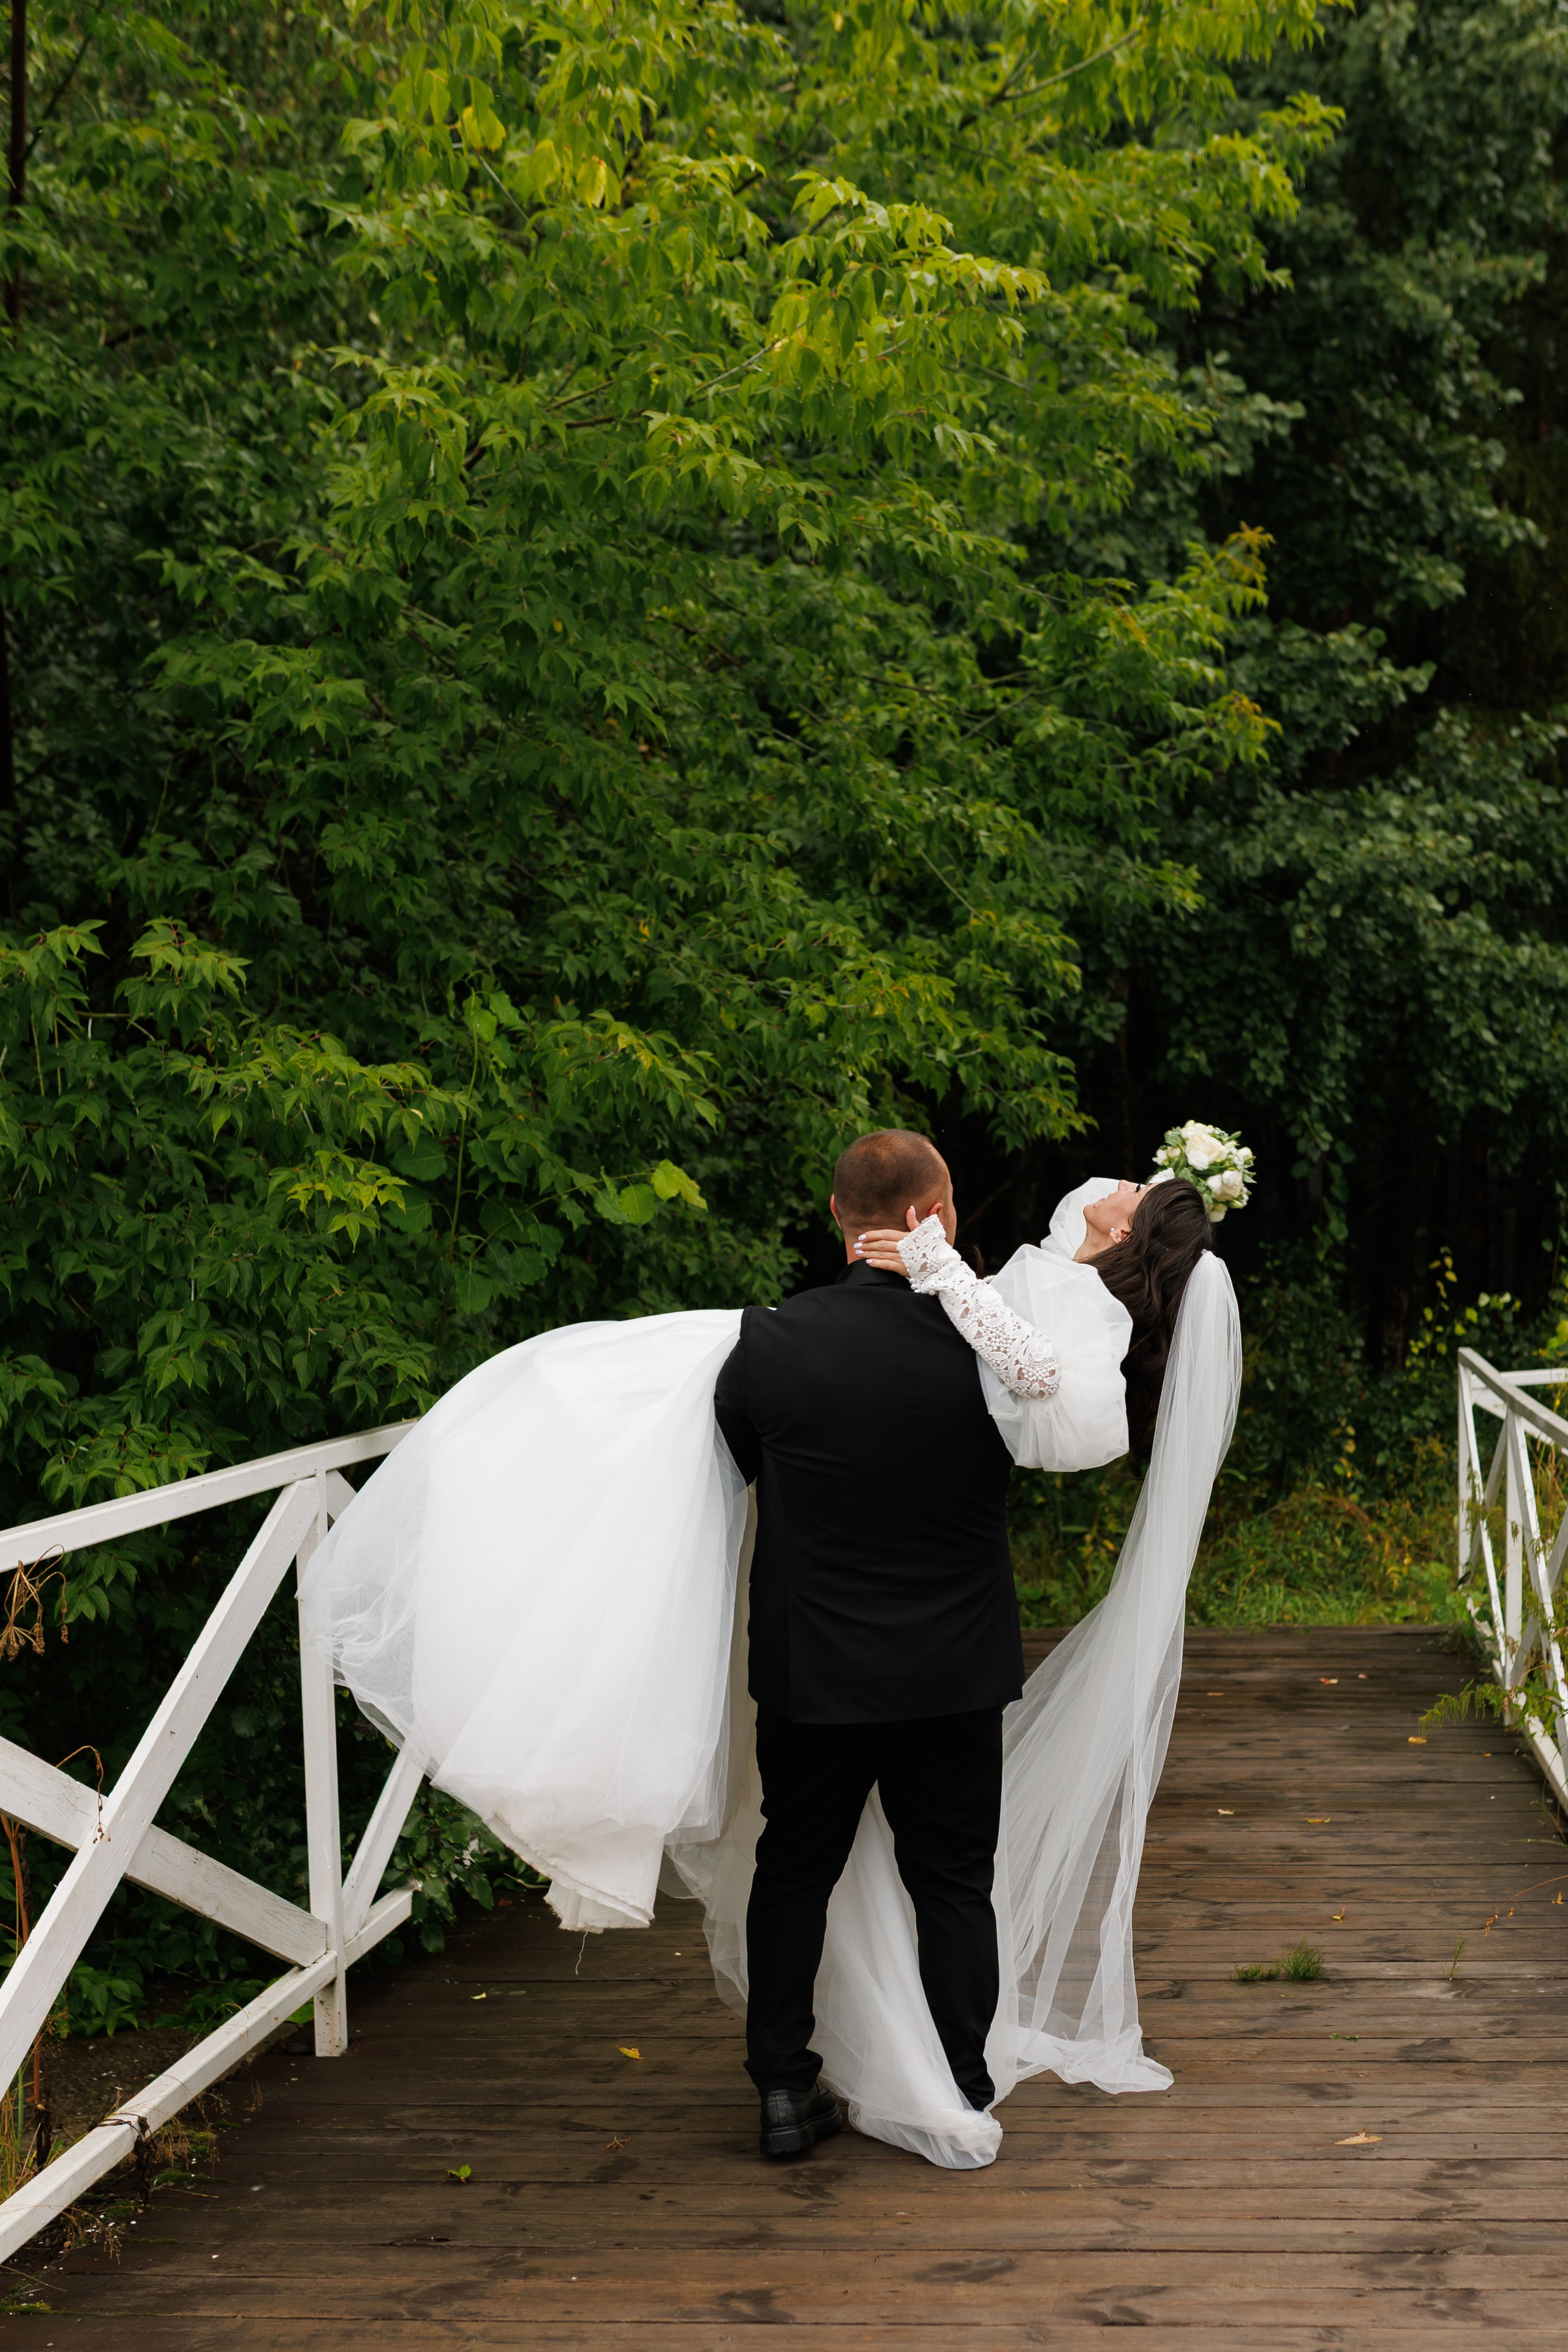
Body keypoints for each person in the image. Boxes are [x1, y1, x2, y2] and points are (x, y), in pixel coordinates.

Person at [301, 1131, 1238, 2174]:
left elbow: (724, 1476)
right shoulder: (1001, 1352)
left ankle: (786, 2092)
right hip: (956, 1666)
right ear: (938, 1215)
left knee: (794, 1872)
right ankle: (965, 2081)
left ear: (838, 1216)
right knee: (954, 1882)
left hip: (815, 1667)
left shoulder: (768, 1347)